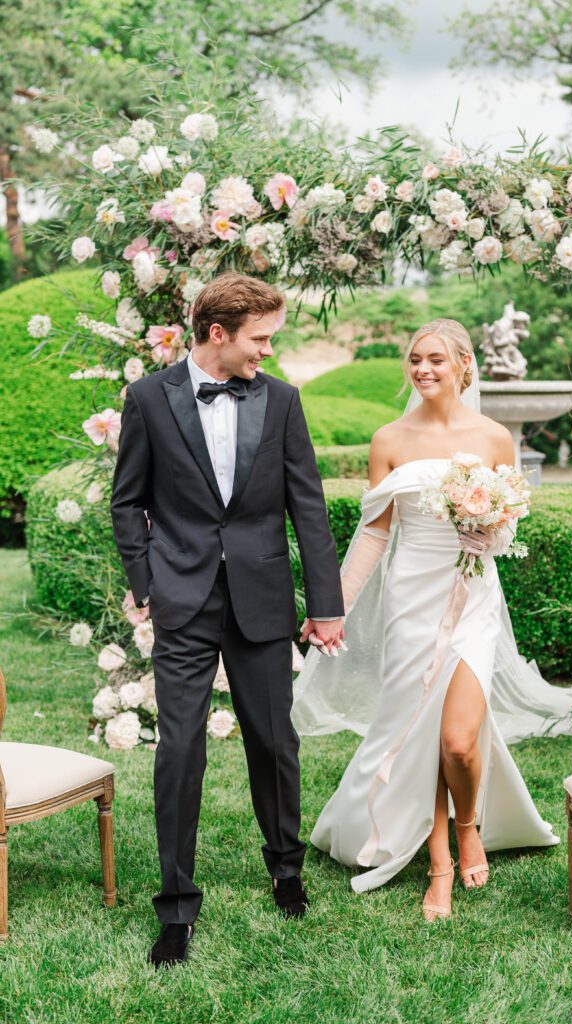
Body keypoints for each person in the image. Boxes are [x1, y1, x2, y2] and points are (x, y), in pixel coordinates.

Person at [293, 318, 572, 921]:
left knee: (459, 741)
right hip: (412, 600)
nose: (423, 369)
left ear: (464, 365)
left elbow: (509, 526)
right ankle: (440, 860)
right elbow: (373, 536)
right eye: (414, 360)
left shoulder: (493, 439)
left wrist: (489, 529)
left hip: (473, 598)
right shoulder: (388, 440)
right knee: (421, 727)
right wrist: (334, 607)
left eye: (436, 359)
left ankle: (467, 826)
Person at [110, 272, 345, 967]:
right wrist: (145, 580)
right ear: (219, 333)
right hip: (181, 599)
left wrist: (325, 605)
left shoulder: (281, 401)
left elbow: (307, 506)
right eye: (261, 338)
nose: (268, 352)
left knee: (274, 742)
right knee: (180, 749)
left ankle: (286, 869)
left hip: (262, 596)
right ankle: (176, 907)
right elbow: (128, 501)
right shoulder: (150, 398)